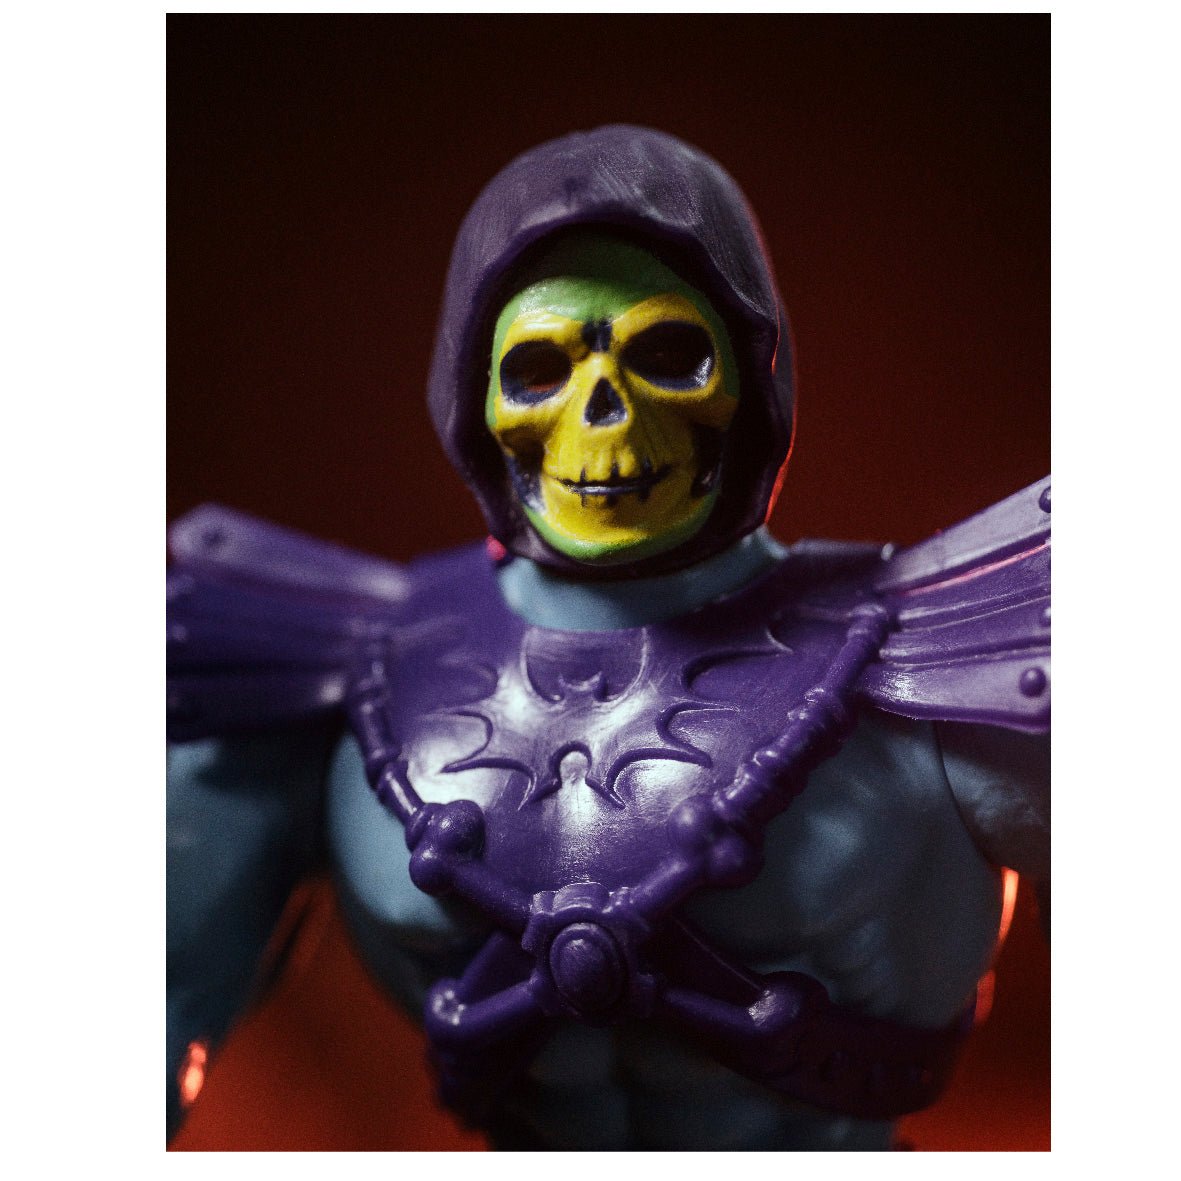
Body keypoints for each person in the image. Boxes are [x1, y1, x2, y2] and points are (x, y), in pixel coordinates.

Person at [168, 125, 1049, 1150]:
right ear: (473, 396)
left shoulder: (945, 653)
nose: (603, 413)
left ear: (750, 372)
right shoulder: (336, 673)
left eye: (666, 357)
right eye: (539, 369)